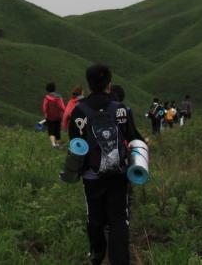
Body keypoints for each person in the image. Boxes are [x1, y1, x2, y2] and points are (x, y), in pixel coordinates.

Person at [60, 64, 143, 265]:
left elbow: (76, 143)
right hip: (119, 175)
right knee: (119, 219)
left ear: (88, 85)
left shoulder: (80, 111)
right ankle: (120, 260)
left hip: (92, 176)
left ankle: (97, 256)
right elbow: (133, 139)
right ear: (109, 84)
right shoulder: (120, 109)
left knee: (95, 219)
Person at [43, 82, 66, 148]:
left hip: (49, 117)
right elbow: (62, 107)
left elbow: (44, 107)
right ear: (54, 88)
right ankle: (57, 144)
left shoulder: (46, 98)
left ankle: (53, 144)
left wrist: (46, 113)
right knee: (57, 129)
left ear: (47, 89)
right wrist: (64, 112)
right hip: (58, 117)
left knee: (51, 130)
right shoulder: (58, 97)